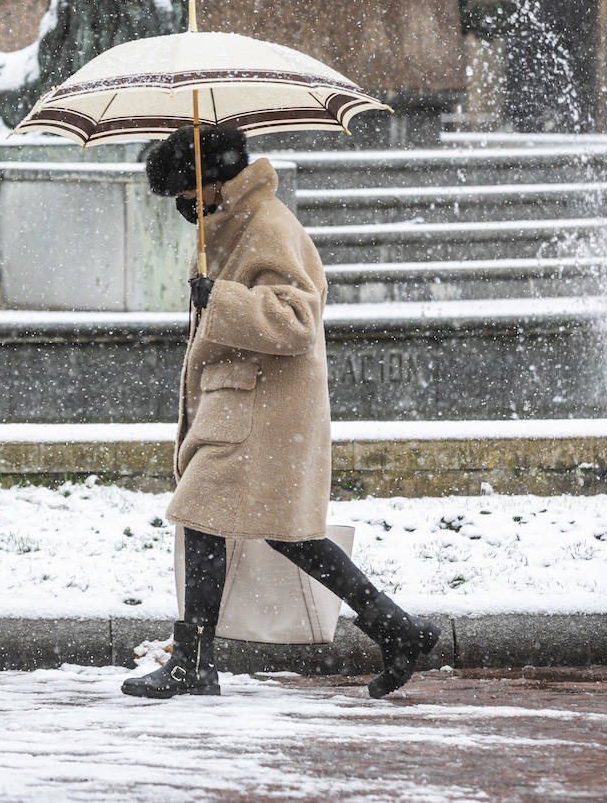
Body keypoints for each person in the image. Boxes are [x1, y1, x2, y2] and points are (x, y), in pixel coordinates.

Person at [122, 126, 438, 701]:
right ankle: (395, 627)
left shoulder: (267, 225)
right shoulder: (235, 226)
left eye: (184, 197)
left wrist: (219, 299)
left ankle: (193, 661)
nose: (182, 210)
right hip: (246, 405)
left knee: (204, 514)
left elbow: (297, 318)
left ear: (213, 184)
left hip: (258, 409)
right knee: (289, 535)